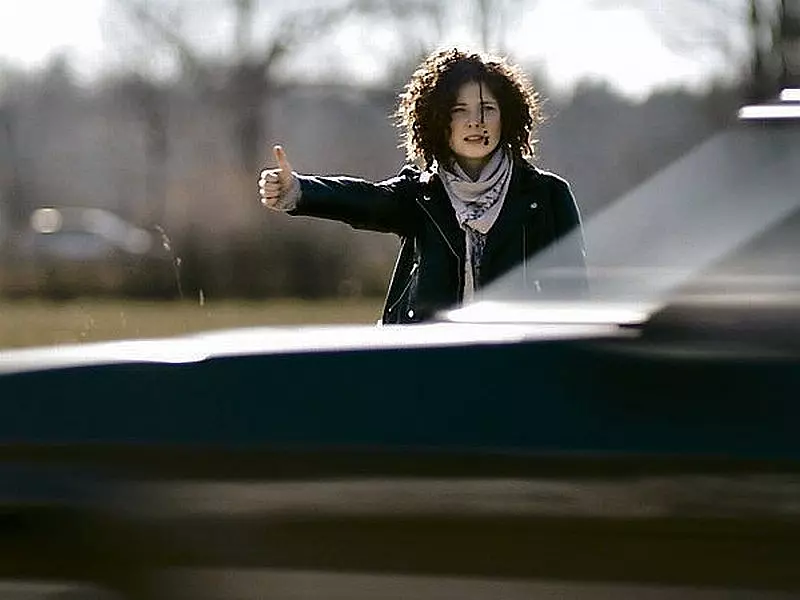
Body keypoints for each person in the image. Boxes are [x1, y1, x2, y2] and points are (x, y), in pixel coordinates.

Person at [258, 47, 586, 325]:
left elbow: (575, 296)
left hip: (517, 366)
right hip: (426, 364)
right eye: (459, 110)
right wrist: (298, 190)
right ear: (439, 120)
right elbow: (365, 200)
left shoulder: (547, 195)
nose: (475, 122)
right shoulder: (421, 194)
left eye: (487, 109)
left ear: (507, 116)